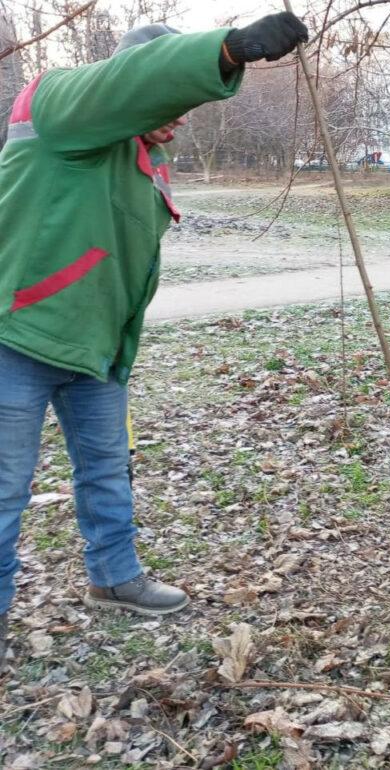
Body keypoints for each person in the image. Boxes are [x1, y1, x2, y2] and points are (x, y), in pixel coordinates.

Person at [0, 13, 308, 665]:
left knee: (108, 472)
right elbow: (132, 82)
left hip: (96, 350)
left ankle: (115, 576)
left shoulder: (145, 158)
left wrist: (120, 349)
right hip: (15, 337)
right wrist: (224, 51)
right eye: (176, 97)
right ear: (136, 85)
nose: (183, 114)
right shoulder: (57, 104)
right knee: (4, 490)